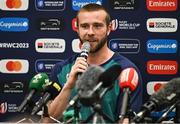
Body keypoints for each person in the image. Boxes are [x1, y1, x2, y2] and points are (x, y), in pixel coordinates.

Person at [43, 3, 143, 123]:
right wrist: (69, 86)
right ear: (77, 29)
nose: (90, 32)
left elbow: (128, 120)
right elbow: (47, 121)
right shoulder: (61, 69)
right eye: (85, 26)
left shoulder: (126, 70)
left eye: (97, 26)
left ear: (109, 29)